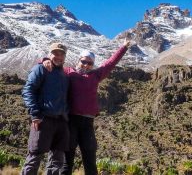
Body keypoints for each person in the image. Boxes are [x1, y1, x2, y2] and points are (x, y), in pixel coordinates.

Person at [43, 41, 130, 175]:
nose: (86, 65)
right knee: (67, 160)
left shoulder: (96, 75)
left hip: (88, 124)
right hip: (71, 121)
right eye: (84, 61)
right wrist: (44, 60)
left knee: (90, 159)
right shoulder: (68, 72)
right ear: (79, 60)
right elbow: (54, 65)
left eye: (90, 63)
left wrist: (123, 48)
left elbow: (110, 63)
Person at [21, 43, 69, 175]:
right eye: (55, 54)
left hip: (61, 121)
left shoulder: (64, 75)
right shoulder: (41, 69)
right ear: (49, 54)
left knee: (56, 160)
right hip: (43, 119)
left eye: (61, 54)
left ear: (65, 57)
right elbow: (28, 90)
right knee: (35, 156)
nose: (58, 57)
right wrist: (35, 114)